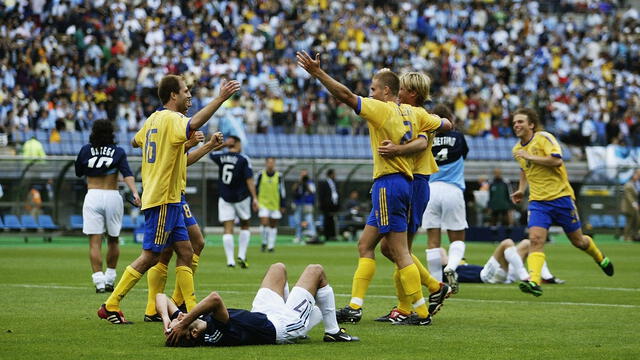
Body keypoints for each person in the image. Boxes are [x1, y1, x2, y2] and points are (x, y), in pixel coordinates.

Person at [297, 52, 450, 326]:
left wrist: (318, 73)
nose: (370, 93)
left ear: (388, 91)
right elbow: (446, 124)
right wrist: (431, 126)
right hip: (405, 182)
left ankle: (419, 309)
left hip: (397, 182)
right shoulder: (417, 113)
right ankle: (359, 306)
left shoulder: (384, 109)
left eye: (373, 89)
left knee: (399, 251)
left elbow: (345, 96)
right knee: (369, 245)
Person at [97, 75, 239, 324]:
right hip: (163, 197)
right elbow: (193, 123)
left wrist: (172, 144)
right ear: (173, 95)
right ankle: (111, 303)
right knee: (152, 255)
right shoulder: (174, 119)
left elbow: (135, 140)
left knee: (186, 250)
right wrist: (221, 98)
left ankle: (191, 310)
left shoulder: (153, 119)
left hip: (167, 197)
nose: (189, 95)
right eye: (185, 91)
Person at [372, 76, 454, 324]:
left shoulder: (417, 115)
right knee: (392, 248)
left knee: (398, 249)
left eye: (404, 90)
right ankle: (425, 291)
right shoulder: (404, 113)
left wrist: (396, 150)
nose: (398, 93)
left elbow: (423, 141)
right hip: (410, 181)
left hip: (416, 182)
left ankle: (411, 303)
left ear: (413, 94)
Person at [510, 108, 614, 297]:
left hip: (561, 198)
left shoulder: (544, 138)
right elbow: (524, 169)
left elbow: (556, 161)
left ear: (531, 124)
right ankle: (534, 280)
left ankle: (600, 257)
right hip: (538, 202)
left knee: (579, 241)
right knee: (535, 239)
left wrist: (530, 156)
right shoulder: (517, 149)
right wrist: (521, 189)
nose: (516, 125)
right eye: (515, 122)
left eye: (520, 121)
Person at [159, 263, 359, 346]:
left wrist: (168, 322)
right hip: (282, 326)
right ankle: (333, 331)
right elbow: (214, 298)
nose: (180, 317)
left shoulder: (194, 324)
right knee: (316, 270)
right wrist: (184, 323)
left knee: (277, 268)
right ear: (193, 333)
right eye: (180, 322)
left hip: (263, 314)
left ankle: (305, 318)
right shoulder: (216, 330)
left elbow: (160, 297)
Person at [144, 128, 227, 321]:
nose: (189, 97)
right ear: (174, 96)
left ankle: (172, 302)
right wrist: (191, 144)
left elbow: (183, 161)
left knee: (187, 246)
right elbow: (169, 157)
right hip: (168, 196)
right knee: (171, 251)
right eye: (186, 95)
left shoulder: (173, 122)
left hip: (175, 195)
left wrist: (207, 145)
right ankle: (169, 305)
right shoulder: (171, 123)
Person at [75, 120, 141, 293]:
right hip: (112, 196)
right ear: (111, 133)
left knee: (94, 242)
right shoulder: (118, 151)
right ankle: (110, 279)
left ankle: (99, 282)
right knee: (113, 239)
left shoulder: (85, 150)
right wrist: (135, 192)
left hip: (93, 195)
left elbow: (79, 172)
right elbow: (127, 174)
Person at [410, 104, 470, 294]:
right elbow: (464, 155)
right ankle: (452, 266)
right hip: (453, 189)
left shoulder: (426, 136)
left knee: (432, 241)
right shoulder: (458, 137)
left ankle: (436, 284)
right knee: (457, 238)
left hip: (430, 189)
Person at [210, 135, 258, 268]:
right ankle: (242, 255)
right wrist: (254, 197)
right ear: (238, 144)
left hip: (225, 197)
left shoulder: (221, 157)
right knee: (245, 224)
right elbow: (249, 180)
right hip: (241, 197)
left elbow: (211, 152)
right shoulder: (243, 159)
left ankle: (230, 260)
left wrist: (225, 145)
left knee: (228, 228)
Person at [453, 238, 565, 285]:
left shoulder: (451, 266)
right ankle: (524, 276)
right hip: (487, 276)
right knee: (507, 242)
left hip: (504, 275)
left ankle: (546, 276)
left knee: (527, 243)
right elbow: (441, 253)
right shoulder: (443, 269)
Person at [256, 157, 286, 252]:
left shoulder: (279, 176)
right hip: (263, 203)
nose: (270, 164)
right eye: (269, 162)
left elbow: (282, 191)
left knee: (273, 225)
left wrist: (282, 205)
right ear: (266, 163)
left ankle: (271, 245)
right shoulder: (260, 174)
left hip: (275, 204)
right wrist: (255, 201)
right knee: (264, 223)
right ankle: (264, 242)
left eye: (272, 163)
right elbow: (256, 188)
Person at [291, 169, 317, 243]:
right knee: (297, 220)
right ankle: (298, 236)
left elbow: (312, 192)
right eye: (302, 174)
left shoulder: (310, 183)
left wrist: (306, 184)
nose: (303, 176)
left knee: (309, 220)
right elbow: (293, 190)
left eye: (305, 174)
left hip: (307, 204)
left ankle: (312, 235)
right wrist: (299, 183)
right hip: (298, 204)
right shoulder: (298, 183)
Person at [318, 169, 340, 241]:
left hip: (333, 204)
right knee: (327, 220)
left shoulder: (335, 183)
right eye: (334, 174)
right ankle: (327, 235)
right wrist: (322, 204)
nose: (335, 175)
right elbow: (321, 195)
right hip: (326, 205)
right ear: (330, 174)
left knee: (332, 220)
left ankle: (332, 235)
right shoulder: (323, 183)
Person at [621, 169, 640, 242]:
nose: (638, 177)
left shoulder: (636, 184)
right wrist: (634, 204)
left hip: (634, 208)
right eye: (637, 175)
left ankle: (633, 236)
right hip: (628, 207)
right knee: (629, 223)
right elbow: (629, 197)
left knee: (635, 222)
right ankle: (626, 237)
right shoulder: (628, 185)